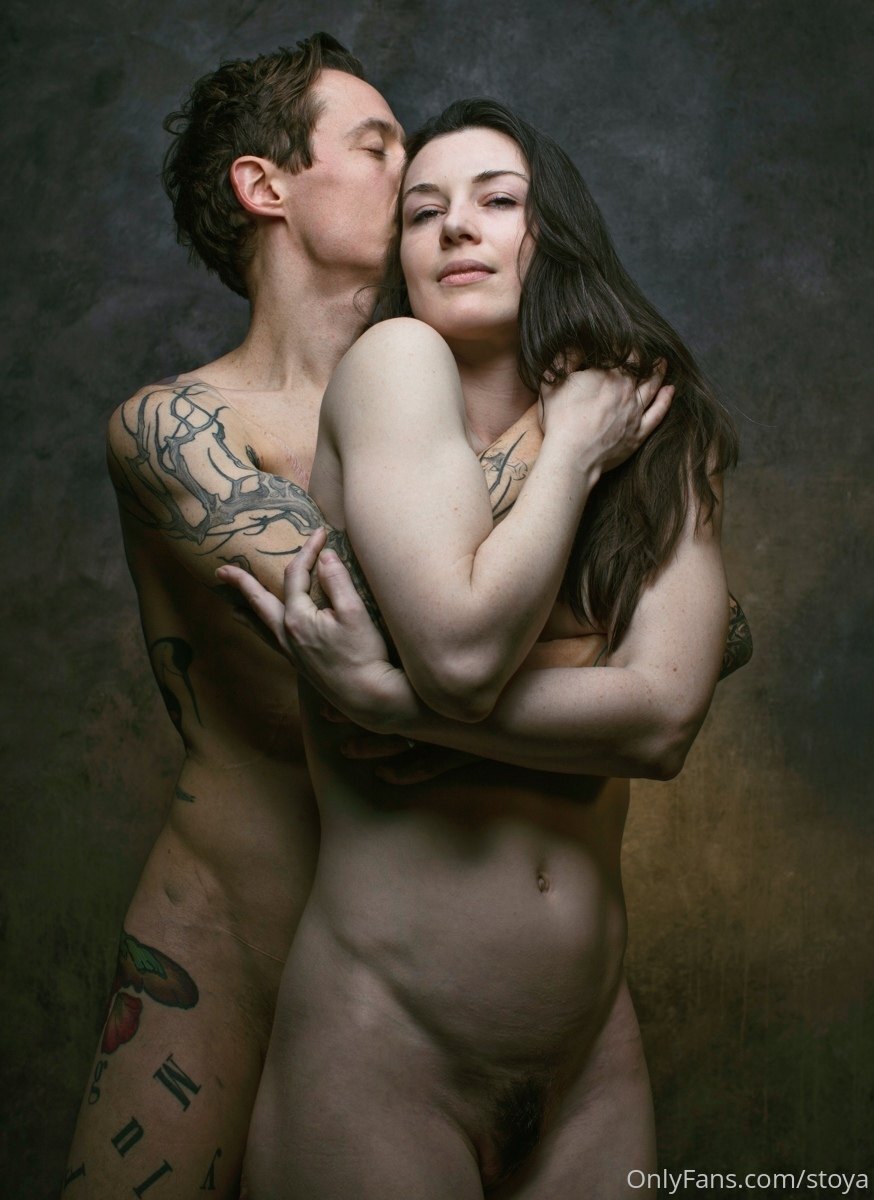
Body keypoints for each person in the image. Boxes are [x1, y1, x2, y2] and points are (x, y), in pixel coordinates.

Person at [218, 100, 746, 1198]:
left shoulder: (653, 416)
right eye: (422, 212)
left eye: (497, 201)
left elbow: (662, 721)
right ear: (402, 259)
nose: (455, 226)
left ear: (555, 234)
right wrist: (570, 457)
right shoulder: (395, 365)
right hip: (384, 1046)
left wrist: (392, 704)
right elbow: (462, 655)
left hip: (590, 1062)